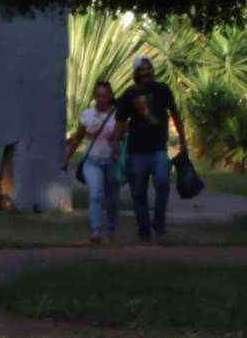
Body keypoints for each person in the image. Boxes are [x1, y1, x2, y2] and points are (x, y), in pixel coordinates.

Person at [115, 55, 190, 243]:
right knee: (138, 193)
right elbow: (120, 122)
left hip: (158, 150)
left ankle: (159, 224)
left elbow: (175, 114)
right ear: (136, 73)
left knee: (163, 183)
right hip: (136, 152)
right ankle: (144, 230)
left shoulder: (162, 90)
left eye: (149, 68)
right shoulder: (129, 93)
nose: (147, 72)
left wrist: (183, 141)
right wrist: (116, 146)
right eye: (142, 69)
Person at [65, 79, 126, 246]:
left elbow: (123, 137)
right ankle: (96, 230)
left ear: (110, 96)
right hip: (92, 161)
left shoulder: (118, 116)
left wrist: (117, 140)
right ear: (94, 96)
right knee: (96, 194)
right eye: (98, 96)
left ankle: (111, 229)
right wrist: (67, 159)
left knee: (112, 198)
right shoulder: (87, 115)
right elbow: (77, 138)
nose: (101, 99)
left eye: (105, 96)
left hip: (112, 162)